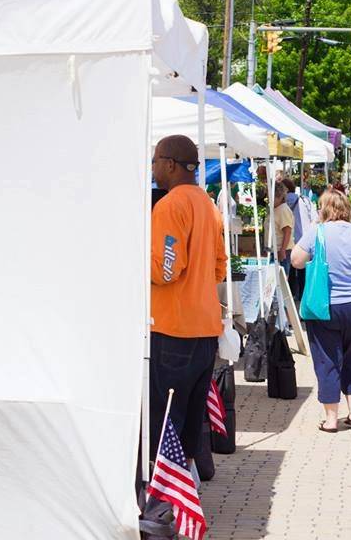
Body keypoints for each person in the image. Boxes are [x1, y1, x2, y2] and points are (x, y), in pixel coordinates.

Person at [149, 135, 226, 463]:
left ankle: (164, 502)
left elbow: (165, 270)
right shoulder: (208, 206)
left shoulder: (170, 205)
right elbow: (219, 269)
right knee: (190, 424)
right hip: (205, 330)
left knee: (164, 422)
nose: (152, 168)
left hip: (173, 331)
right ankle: (185, 496)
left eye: (154, 161)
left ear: (169, 164)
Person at [291, 191, 351, 432]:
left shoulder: (318, 232)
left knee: (327, 360)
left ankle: (331, 419)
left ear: (323, 208)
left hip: (325, 307)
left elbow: (296, 260)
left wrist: (314, 230)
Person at [283, 177, 306, 300]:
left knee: (289, 269)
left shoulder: (282, 201)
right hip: (302, 237)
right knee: (302, 269)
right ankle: (302, 295)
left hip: (289, 239)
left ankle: (290, 294)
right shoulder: (302, 200)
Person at [272, 182, 294, 274]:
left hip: (281, 251)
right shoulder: (276, 208)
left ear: (280, 197)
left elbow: (287, 231)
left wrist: (283, 250)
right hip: (276, 250)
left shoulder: (283, 210)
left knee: (281, 280)